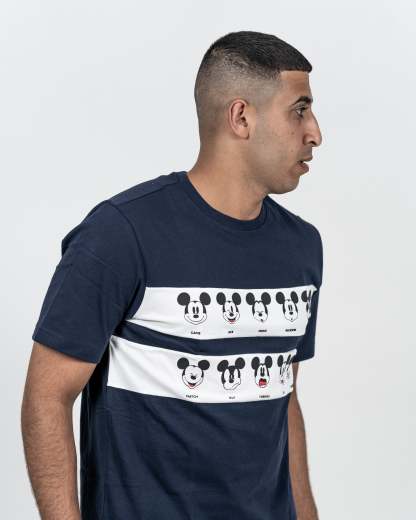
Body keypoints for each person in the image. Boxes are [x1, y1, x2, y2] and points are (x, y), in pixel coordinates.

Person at [21, 30, 323, 520]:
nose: (315, 133)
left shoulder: (301, 246)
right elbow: (47, 396)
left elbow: (281, 398)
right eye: (299, 110)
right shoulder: (121, 234)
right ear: (241, 117)